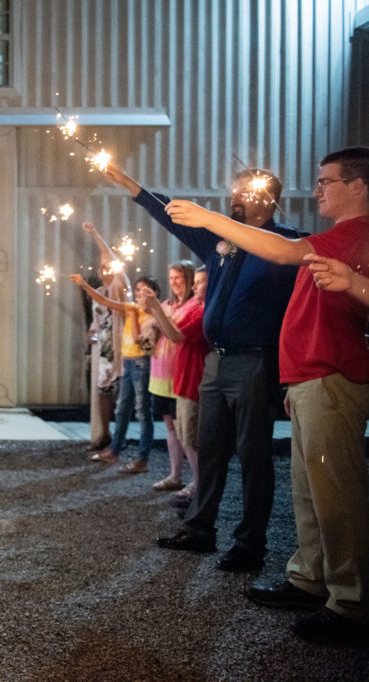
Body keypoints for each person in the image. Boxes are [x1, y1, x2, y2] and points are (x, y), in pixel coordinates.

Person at [166, 146, 369, 645]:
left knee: (337, 495)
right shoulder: (332, 237)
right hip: (305, 379)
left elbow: (279, 250)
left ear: (359, 185)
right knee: (310, 490)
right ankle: (310, 577)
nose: (317, 189)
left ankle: (351, 600)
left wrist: (209, 217)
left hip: (332, 374)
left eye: (327, 181)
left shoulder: (357, 237)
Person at [105, 163, 301, 573]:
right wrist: (130, 184)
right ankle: (200, 529)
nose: (233, 196)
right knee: (210, 449)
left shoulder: (285, 244)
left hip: (255, 360)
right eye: (234, 189)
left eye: (243, 191)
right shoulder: (220, 242)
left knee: (252, 454)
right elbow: (171, 216)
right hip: (217, 361)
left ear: (267, 197)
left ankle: (250, 545)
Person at [71, 272, 159, 473]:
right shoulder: (131, 307)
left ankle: (142, 458)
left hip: (141, 364)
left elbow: (138, 339)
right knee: (121, 408)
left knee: (143, 411)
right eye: (137, 290)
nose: (138, 294)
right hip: (127, 363)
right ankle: (114, 449)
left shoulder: (153, 314)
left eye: (144, 291)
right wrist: (84, 285)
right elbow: (104, 301)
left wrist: (135, 314)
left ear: (153, 293)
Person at [140, 267, 208, 501]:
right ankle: (183, 478)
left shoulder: (199, 310)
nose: (195, 286)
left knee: (190, 437)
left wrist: (156, 310)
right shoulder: (190, 308)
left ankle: (200, 486)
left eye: (200, 282)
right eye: (196, 282)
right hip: (179, 377)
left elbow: (176, 335)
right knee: (180, 432)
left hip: (192, 378)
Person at [80, 222, 128, 451]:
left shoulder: (120, 287)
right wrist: (91, 345)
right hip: (104, 352)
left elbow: (109, 258)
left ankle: (120, 438)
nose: (103, 271)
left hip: (120, 348)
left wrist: (96, 235)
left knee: (121, 396)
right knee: (102, 392)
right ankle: (105, 435)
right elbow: (95, 324)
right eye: (101, 269)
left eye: (107, 268)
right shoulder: (97, 294)